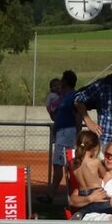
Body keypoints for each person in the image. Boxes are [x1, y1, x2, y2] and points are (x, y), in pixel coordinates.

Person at [48, 70, 79, 199]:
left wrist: (77, 131)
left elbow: (78, 114)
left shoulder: (72, 96)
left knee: (62, 163)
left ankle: (55, 194)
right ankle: (54, 194)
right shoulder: (64, 97)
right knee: (60, 164)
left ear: (65, 81)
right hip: (62, 132)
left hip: (67, 133)